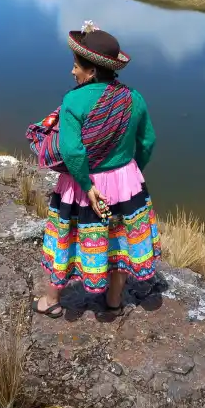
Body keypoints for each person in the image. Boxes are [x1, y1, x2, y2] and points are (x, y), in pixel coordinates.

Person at [31, 21, 160, 318]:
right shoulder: (133, 98)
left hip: (84, 183)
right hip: (126, 181)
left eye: (76, 66)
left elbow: (72, 150)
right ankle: (114, 301)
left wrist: (87, 186)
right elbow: (148, 141)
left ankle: (51, 299)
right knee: (120, 240)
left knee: (67, 237)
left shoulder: (73, 100)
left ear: (91, 71)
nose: (72, 71)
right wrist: (130, 169)